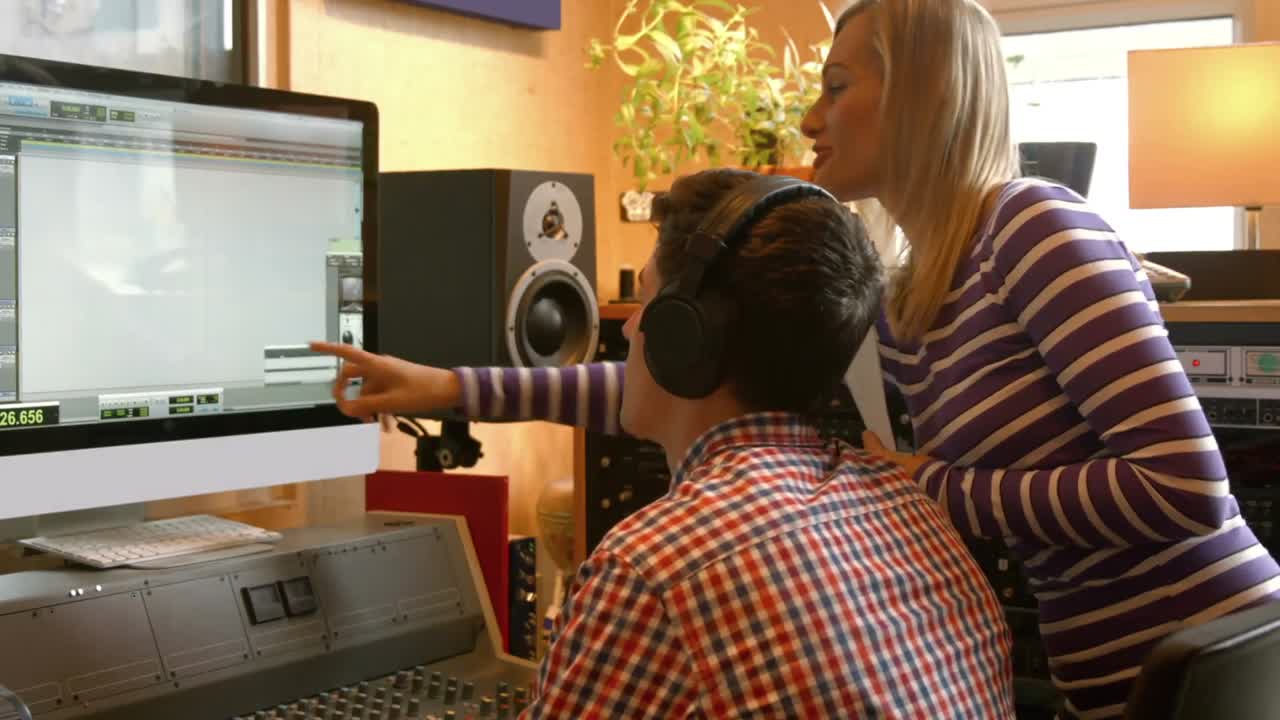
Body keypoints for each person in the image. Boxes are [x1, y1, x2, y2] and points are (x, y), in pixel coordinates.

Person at [315, 2, 1280, 718]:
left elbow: (1186, 489)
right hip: (1112, 682)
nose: (812, 118)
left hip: (1217, 669)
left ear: (925, 92)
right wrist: (451, 387)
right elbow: (681, 375)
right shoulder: (913, 293)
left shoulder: (1034, 227)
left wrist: (936, 485)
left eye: (837, 86)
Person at [317, 168, 1017, 717]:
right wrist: (448, 386)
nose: (626, 329)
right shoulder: (909, 505)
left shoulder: (657, 567)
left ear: (685, 340)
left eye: (644, 301)